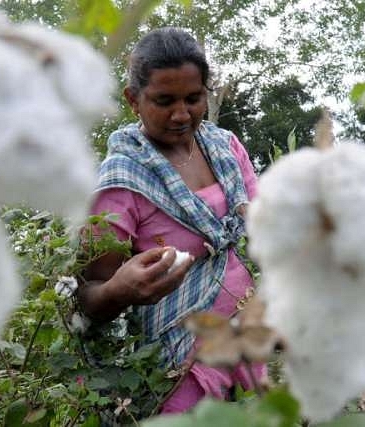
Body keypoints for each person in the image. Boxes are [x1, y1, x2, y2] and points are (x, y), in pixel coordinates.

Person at [77, 27, 265, 414]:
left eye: (193, 99)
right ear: (133, 99)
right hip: (181, 365)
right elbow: (88, 295)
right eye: (164, 101)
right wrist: (120, 291)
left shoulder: (225, 149)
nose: (182, 114)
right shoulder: (121, 181)